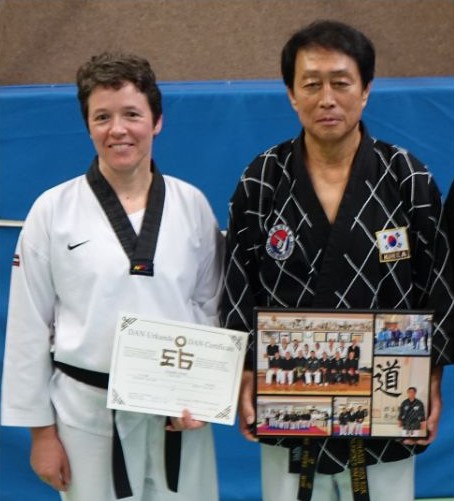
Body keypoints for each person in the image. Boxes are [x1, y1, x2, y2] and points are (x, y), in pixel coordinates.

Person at [221, 19, 454, 501]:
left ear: (365, 90)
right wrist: (244, 370)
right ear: (291, 94)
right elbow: (238, 281)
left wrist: (431, 374)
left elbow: (438, 283)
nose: (327, 99)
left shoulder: (407, 177)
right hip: (289, 400)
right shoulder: (263, 178)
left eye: (341, 83)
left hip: (386, 403)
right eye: (311, 84)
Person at [1, 52, 224, 501]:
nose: (117, 129)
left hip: (177, 412)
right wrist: (41, 435)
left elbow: (210, 307)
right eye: (102, 117)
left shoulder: (192, 205)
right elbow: (28, 325)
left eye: (132, 115)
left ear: (157, 121)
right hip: (86, 414)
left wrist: (203, 394)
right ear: (88, 125)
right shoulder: (53, 211)